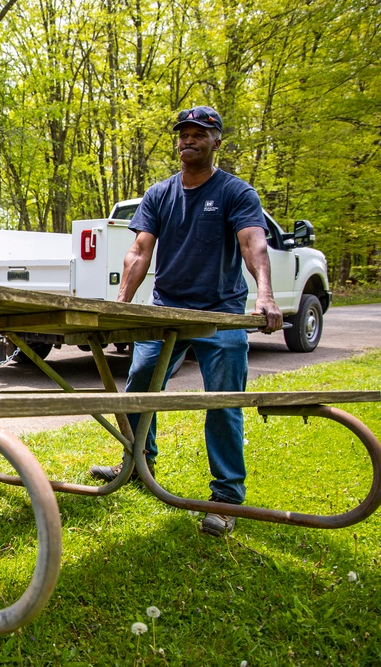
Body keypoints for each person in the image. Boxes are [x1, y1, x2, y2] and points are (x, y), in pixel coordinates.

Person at [89, 106, 283, 537]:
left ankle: (227, 497)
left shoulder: (236, 192)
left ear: (217, 141)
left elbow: (254, 244)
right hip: (166, 308)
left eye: (199, 133)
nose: (188, 140)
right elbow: (140, 251)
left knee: (223, 399)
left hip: (222, 312)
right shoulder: (159, 194)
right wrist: (122, 303)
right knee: (140, 382)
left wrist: (265, 294)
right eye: (183, 134)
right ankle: (138, 463)